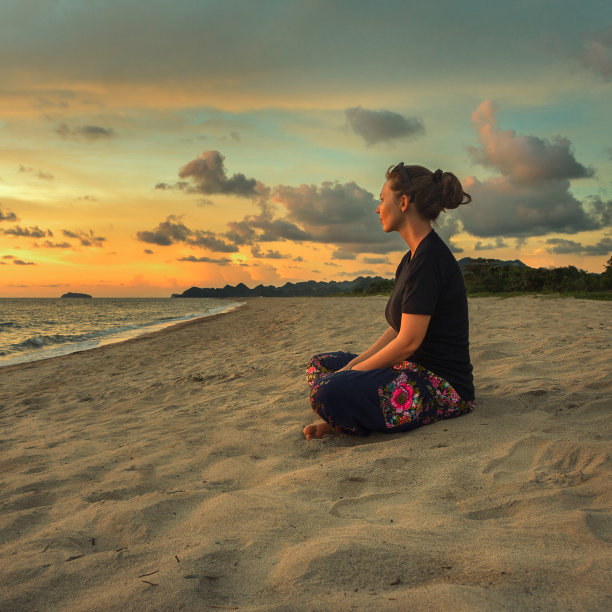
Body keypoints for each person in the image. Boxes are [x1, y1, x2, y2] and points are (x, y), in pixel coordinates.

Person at [304, 163, 475, 439]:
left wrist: (350, 375)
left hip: (440, 386)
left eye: (382, 199)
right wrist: (352, 367)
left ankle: (343, 420)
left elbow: (408, 342)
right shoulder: (411, 259)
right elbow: (397, 330)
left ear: (404, 202)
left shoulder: (430, 258)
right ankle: (345, 417)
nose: (377, 208)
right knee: (320, 365)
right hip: (407, 369)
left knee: (327, 391)